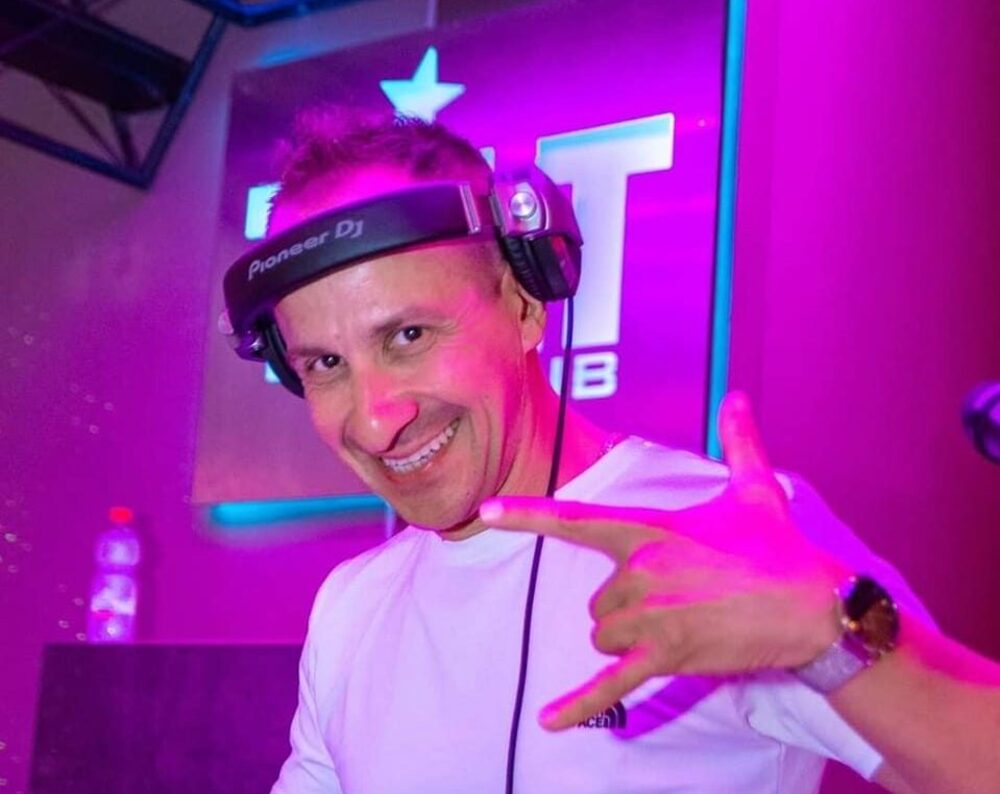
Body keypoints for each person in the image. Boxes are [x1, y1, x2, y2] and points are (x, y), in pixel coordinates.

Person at [222, 107, 1000, 793]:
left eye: (409, 336)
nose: (374, 421)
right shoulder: (352, 606)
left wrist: (827, 632)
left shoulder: (718, 531)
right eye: (326, 363)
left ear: (525, 305)